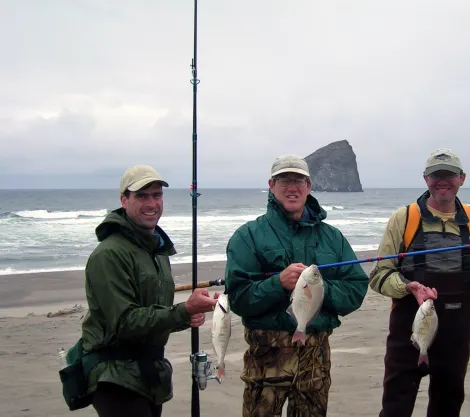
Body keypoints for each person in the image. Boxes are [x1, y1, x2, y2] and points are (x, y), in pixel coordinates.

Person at [368, 148, 470, 417]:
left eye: (449, 175)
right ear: (426, 179)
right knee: (396, 406)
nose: (442, 181)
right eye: (435, 175)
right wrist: (408, 287)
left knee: (448, 404)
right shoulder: (404, 219)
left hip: (456, 333)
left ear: (462, 178)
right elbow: (380, 276)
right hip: (408, 331)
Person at [224, 154, 369, 417]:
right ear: (271, 185)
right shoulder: (248, 236)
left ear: (309, 186)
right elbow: (238, 299)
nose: (292, 188)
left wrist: (319, 291)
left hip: (316, 358)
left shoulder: (332, 238)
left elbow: (356, 289)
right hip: (266, 358)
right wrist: (277, 283)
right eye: (284, 181)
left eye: (299, 181)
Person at [78, 165, 219, 417]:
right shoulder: (109, 254)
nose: (151, 203)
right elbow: (125, 322)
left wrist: (188, 316)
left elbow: (155, 315)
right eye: (141, 196)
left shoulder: (156, 252)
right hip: (115, 376)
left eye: (156, 195)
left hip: (149, 374)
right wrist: (183, 310)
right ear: (124, 200)